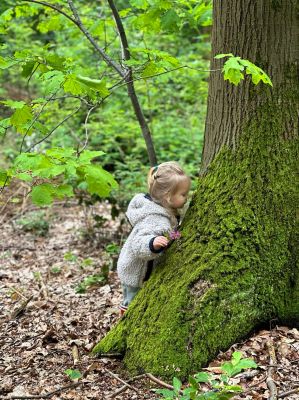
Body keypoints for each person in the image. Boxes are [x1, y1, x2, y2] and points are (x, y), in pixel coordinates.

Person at [117, 161, 191, 315]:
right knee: (131, 305)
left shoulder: (166, 211)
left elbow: (168, 233)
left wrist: (178, 235)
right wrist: (152, 243)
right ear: (168, 196)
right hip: (135, 272)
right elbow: (138, 244)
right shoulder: (155, 218)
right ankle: (124, 323)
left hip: (144, 268)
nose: (187, 197)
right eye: (183, 194)